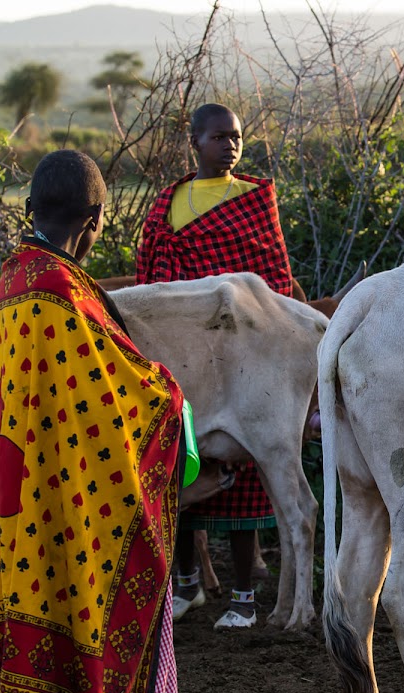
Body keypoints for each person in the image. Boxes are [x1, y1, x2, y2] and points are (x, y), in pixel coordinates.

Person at [0, 150, 185, 693]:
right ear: (95, 220)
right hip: (70, 504)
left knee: (50, 621)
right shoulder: (62, 291)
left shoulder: (15, 279)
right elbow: (121, 394)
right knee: (81, 621)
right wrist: (170, 395)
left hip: (28, 503)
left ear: (29, 209)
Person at [136, 102, 297, 630]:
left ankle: (244, 596)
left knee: (243, 472)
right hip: (180, 354)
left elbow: (273, 283)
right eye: (219, 137)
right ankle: (188, 586)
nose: (231, 146)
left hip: (241, 355)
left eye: (237, 137)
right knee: (178, 465)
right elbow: (150, 284)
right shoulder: (166, 206)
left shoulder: (253, 202)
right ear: (195, 142)